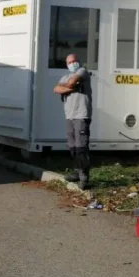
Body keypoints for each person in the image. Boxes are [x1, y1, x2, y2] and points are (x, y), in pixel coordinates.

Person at [53, 53, 93, 189]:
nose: (73, 63)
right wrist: (71, 87)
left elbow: (69, 82)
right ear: (66, 64)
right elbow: (56, 89)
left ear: (79, 61)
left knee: (81, 147)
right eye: (70, 62)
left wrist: (67, 87)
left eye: (75, 61)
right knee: (73, 147)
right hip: (69, 115)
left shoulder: (83, 71)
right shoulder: (65, 76)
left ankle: (84, 178)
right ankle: (77, 172)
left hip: (81, 115)